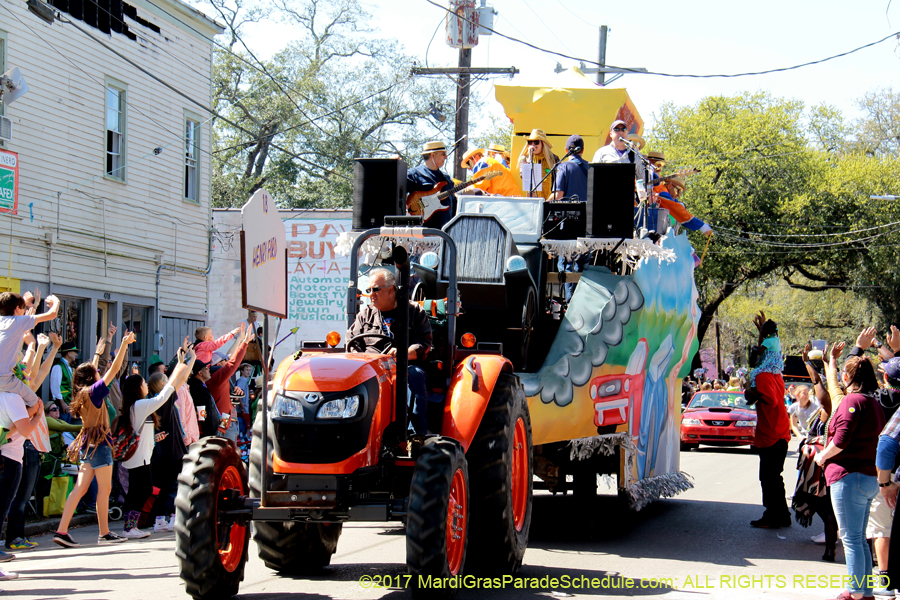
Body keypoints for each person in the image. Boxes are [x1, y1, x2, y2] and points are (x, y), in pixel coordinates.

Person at [53, 330, 136, 548]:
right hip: (100, 444)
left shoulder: (80, 393)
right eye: (97, 371)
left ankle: (62, 531)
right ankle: (105, 532)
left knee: (79, 488)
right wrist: (125, 345)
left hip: (87, 444)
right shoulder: (95, 392)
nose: (100, 372)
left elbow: (91, 372)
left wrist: (98, 354)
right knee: (105, 489)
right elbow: (114, 369)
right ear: (93, 377)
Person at [815, 353, 885, 600]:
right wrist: (831, 363)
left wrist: (822, 456)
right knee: (859, 538)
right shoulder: (873, 402)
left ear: (848, 376)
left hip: (849, 476)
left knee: (852, 538)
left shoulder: (852, 400)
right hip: (867, 477)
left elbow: (841, 440)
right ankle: (864, 592)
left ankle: (855, 591)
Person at [347, 268, 432, 435]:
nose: (372, 294)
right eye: (369, 290)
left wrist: (404, 353)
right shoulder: (365, 315)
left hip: (403, 367)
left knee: (414, 374)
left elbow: (424, 343)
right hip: (370, 369)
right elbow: (351, 342)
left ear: (391, 290)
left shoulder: (414, 311)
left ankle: (414, 435)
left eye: (376, 289)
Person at [119, 349, 194, 538]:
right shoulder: (141, 404)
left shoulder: (136, 405)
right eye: (143, 383)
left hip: (140, 454)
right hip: (139, 456)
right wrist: (179, 365)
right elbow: (164, 394)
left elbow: (140, 430)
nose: (145, 385)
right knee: (142, 490)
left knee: (138, 490)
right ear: (138, 388)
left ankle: (130, 526)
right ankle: (130, 527)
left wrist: (153, 438)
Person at [5, 332, 62, 553]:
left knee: (19, 496)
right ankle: (14, 537)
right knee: (18, 496)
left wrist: (47, 348)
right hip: (22, 447)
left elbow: (41, 370)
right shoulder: (15, 396)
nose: (29, 372)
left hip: (26, 447)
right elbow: (36, 368)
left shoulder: (23, 391)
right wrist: (36, 347)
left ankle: (16, 536)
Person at [744, 312, 792, 529]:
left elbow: (770, 400)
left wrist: (752, 394)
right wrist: (761, 332)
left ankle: (773, 515)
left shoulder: (763, 376)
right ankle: (781, 514)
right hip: (778, 433)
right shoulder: (775, 374)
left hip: (772, 436)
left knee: (769, 478)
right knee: (774, 478)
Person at [0, 292, 60, 408]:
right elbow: (52, 314)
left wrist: (24, 303)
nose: (24, 312)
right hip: (5, 379)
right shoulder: (18, 322)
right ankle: (21, 426)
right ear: (17, 308)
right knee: (36, 404)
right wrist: (56, 301)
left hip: (6, 378)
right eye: (23, 309)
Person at [551, 134, 591, 302]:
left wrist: (542, 201)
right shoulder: (590, 168)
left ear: (566, 150)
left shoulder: (563, 167)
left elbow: (558, 195)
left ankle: (569, 306)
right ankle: (583, 304)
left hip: (569, 225)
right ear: (583, 151)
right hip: (588, 225)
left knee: (567, 267)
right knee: (584, 266)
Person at [208, 324, 254, 442]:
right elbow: (232, 363)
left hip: (226, 421)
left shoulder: (218, 378)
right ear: (218, 364)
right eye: (224, 360)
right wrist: (244, 343)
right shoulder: (217, 377)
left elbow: (231, 359)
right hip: (223, 425)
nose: (227, 361)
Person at [406, 141, 457, 229]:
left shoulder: (447, 178)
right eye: (443, 154)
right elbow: (396, 194)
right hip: (422, 234)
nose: (446, 157)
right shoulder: (414, 174)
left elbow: (454, 205)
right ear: (433, 155)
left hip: (445, 234)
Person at [592, 119, 645, 185]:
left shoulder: (635, 155)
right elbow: (593, 179)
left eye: (623, 129)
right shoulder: (601, 153)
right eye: (616, 129)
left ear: (627, 133)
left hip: (628, 195)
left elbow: (643, 179)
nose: (620, 132)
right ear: (611, 134)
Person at [517, 129, 557, 201]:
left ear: (543, 144)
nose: (533, 145)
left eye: (536, 142)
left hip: (550, 200)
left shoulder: (553, 158)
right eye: (530, 142)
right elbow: (524, 177)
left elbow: (557, 180)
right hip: (533, 199)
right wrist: (530, 159)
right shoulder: (524, 159)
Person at [188, 359, 221, 439]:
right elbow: (203, 413)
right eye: (206, 368)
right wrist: (208, 431)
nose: (209, 370)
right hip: (206, 434)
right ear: (200, 373)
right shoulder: (198, 388)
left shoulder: (200, 386)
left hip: (208, 432)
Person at [50, 341, 79, 419]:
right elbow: (55, 386)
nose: (76, 354)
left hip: (69, 404)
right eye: (75, 352)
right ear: (69, 353)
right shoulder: (58, 367)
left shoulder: (69, 367)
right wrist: (62, 403)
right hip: (62, 405)